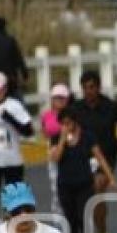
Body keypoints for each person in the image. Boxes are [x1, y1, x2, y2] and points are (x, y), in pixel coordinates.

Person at [74, 70, 117, 233]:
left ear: (98, 87)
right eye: (85, 88)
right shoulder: (77, 109)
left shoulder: (111, 106)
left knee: (98, 188)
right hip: (83, 159)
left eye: (92, 87)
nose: (88, 92)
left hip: (106, 158)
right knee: (84, 197)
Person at [51, 107, 117, 233]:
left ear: (75, 122)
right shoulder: (56, 138)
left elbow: (100, 157)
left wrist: (111, 178)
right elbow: (55, 158)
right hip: (65, 185)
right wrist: (62, 140)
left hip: (84, 184)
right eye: (63, 123)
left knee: (83, 216)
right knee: (71, 219)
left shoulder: (87, 136)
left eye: (69, 123)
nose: (67, 126)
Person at [0, 71, 34, 220]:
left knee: (14, 201)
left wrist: (10, 118)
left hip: (12, 161)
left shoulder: (14, 106)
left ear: (4, 89)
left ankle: (14, 228)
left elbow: (29, 131)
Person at [40, 84, 72, 216]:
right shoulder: (46, 115)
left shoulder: (73, 114)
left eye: (62, 97)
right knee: (56, 190)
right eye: (56, 97)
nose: (59, 100)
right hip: (53, 153)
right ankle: (59, 223)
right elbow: (45, 132)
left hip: (71, 154)